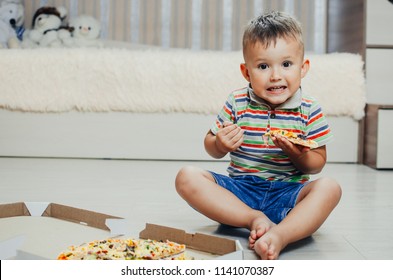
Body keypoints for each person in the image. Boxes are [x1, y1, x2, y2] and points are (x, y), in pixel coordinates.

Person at [175, 11, 342, 260]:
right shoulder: (237, 102)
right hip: (240, 192)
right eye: (263, 66)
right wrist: (219, 144)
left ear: (303, 68)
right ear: (246, 72)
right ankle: (252, 219)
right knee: (186, 177)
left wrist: (298, 156)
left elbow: (317, 163)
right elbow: (209, 144)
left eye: (286, 64)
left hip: (289, 194)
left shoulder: (309, 108)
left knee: (330, 188)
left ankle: (281, 234)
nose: (275, 75)